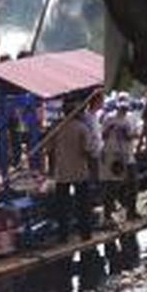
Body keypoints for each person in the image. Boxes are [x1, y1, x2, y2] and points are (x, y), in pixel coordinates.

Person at [51, 100, 95, 242]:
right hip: (79, 171)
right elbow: (87, 150)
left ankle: (63, 236)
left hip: (62, 171)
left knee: (62, 206)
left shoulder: (57, 127)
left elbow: (49, 149)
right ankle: (85, 234)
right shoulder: (82, 128)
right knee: (82, 204)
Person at [101, 93, 140, 221]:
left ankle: (131, 211)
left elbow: (135, 134)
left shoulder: (131, 118)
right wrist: (111, 130)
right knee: (113, 185)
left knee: (133, 184)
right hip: (115, 156)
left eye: (125, 107)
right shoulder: (109, 118)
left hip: (128, 154)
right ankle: (107, 214)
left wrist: (130, 135)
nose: (123, 109)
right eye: (121, 107)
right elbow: (103, 135)